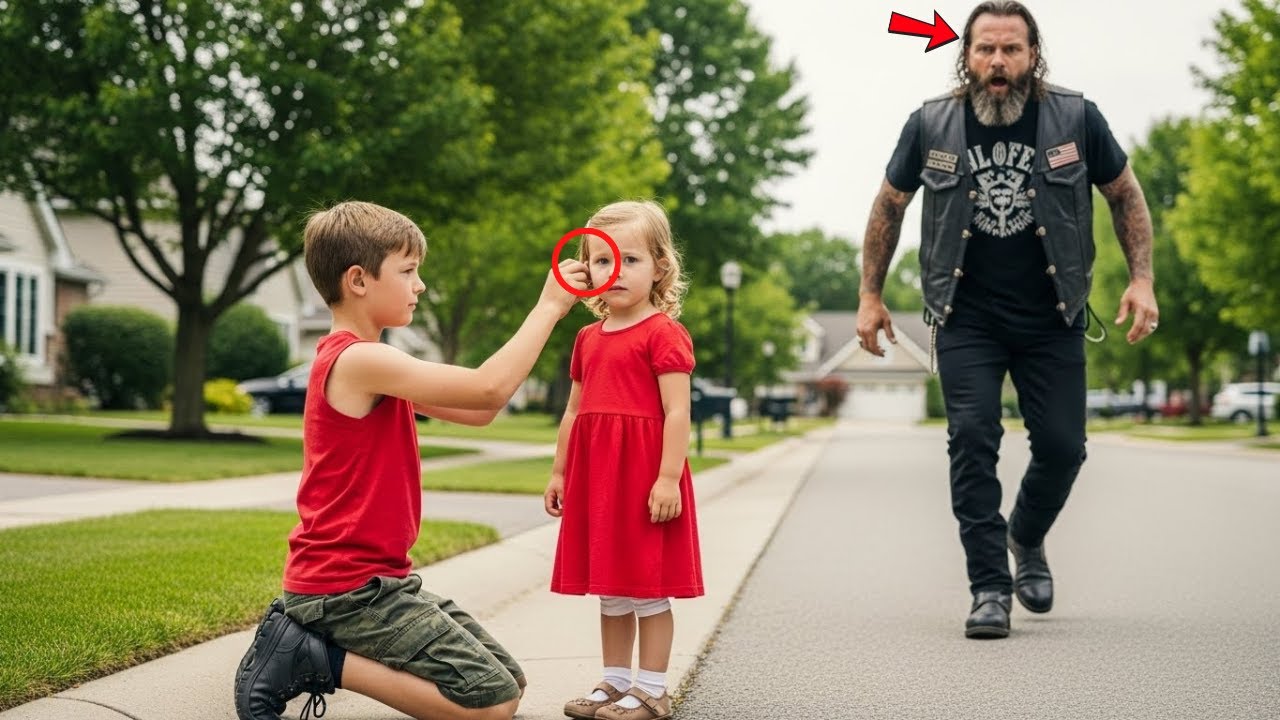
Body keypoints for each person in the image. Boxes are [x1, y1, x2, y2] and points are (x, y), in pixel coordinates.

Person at [855, 1, 1159, 639]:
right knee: (971, 439)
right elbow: (889, 206)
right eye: (985, 49)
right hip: (965, 317)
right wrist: (869, 295)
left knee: (1063, 448)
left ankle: (1026, 535)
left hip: (1054, 314)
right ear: (965, 55)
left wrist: (1142, 279)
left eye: (1011, 50)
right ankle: (989, 588)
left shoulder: (1077, 117)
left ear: (1032, 55)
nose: (998, 62)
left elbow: (1124, 193)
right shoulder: (931, 124)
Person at [232, 200, 590, 720]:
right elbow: (488, 389)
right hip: (345, 588)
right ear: (359, 280)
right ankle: (308, 657)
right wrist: (549, 307)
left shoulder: (376, 363)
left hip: (380, 582)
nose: (419, 285)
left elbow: (480, 411)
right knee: (491, 704)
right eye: (408, 271)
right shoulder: (358, 359)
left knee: (506, 680)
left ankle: (305, 646)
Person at [544, 201, 702, 720]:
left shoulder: (663, 333)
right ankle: (614, 682)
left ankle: (652, 690)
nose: (614, 271)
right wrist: (560, 471)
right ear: (586, 270)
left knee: (647, 588)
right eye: (602, 260)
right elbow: (574, 411)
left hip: (644, 478)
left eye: (629, 260)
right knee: (611, 590)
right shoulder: (587, 339)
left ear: (659, 267)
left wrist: (668, 478)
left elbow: (677, 412)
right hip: (599, 479)